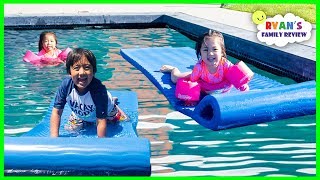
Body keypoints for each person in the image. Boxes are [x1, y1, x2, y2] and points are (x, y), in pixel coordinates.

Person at [50, 48, 126, 138]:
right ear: (69, 72)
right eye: (76, 68)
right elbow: (56, 112)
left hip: (107, 112)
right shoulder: (66, 86)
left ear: (93, 71)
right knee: (70, 129)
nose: (81, 73)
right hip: (81, 113)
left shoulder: (98, 91)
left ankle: (113, 104)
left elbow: (101, 121)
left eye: (86, 68)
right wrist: (54, 140)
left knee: (122, 121)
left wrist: (101, 144)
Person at [160, 29, 249, 95]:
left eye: (215, 49)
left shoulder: (226, 65)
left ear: (222, 52)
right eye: (206, 50)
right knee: (175, 78)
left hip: (221, 86)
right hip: (201, 78)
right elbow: (192, 84)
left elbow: (239, 78)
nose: (210, 53)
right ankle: (173, 69)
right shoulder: (199, 67)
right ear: (200, 52)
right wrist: (189, 98)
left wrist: (242, 85)